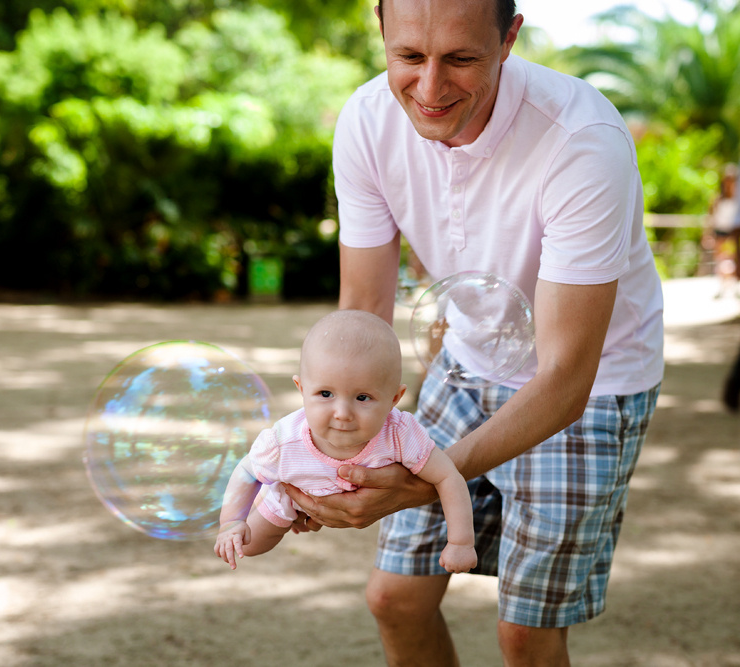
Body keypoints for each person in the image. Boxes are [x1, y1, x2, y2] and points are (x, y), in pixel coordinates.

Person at [282, 1, 665, 665]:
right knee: (394, 598)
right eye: (408, 56)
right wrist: (325, 453)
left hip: (592, 383)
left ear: (509, 38)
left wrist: (421, 479)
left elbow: (566, 377)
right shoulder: (368, 120)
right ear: (381, 31)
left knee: (525, 632)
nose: (429, 88)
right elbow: (364, 309)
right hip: (465, 362)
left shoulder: (581, 138)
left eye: (460, 59)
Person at [213, 309, 477, 575]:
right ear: (302, 389)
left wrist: (460, 542)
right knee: (248, 545)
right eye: (325, 393)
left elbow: (447, 476)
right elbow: (247, 471)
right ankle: (259, 505)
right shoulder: (283, 442)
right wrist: (231, 522)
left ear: (394, 399)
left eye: (362, 398)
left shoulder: (400, 434)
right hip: (291, 495)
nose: (342, 413)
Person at [708, 164, 739, 298]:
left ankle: (734, 287)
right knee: (720, 260)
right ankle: (721, 287)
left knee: (732, 260)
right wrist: (709, 234)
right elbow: (711, 218)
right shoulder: (717, 199)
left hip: (733, 232)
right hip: (720, 233)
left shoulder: (737, 200)